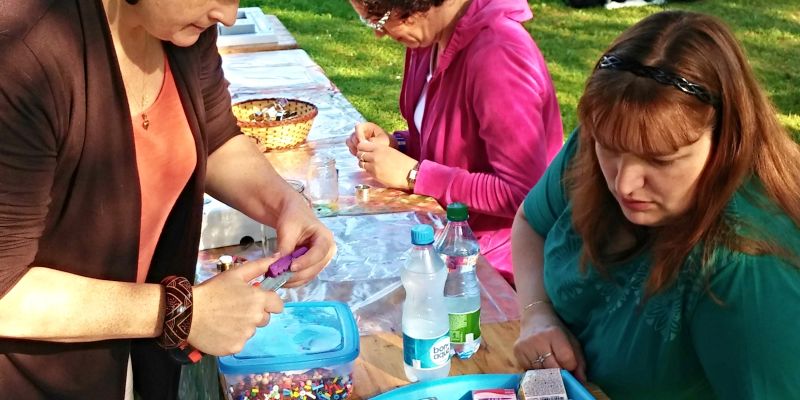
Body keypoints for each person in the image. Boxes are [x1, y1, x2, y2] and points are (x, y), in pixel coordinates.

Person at [0, 0, 335, 398]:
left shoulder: (183, 28)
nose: (227, 17)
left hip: (113, 356)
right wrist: (179, 311)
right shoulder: (22, 51)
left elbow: (214, 138)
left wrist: (285, 205)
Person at [512, 10, 800, 400]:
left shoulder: (748, 267)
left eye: (660, 160)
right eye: (609, 149)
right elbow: (531, 221)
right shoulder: (613, 132)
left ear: (726, 144)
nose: (625, 182)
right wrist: (536, 313)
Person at [345, 0, 564, 284]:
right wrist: (397, 145)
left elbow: (524, 194)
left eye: (379, 17)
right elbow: (459, 145)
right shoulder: (430, 38)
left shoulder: (499, 54)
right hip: (449, 235)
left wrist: (415, 175)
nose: (379, 32)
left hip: (502, 265)